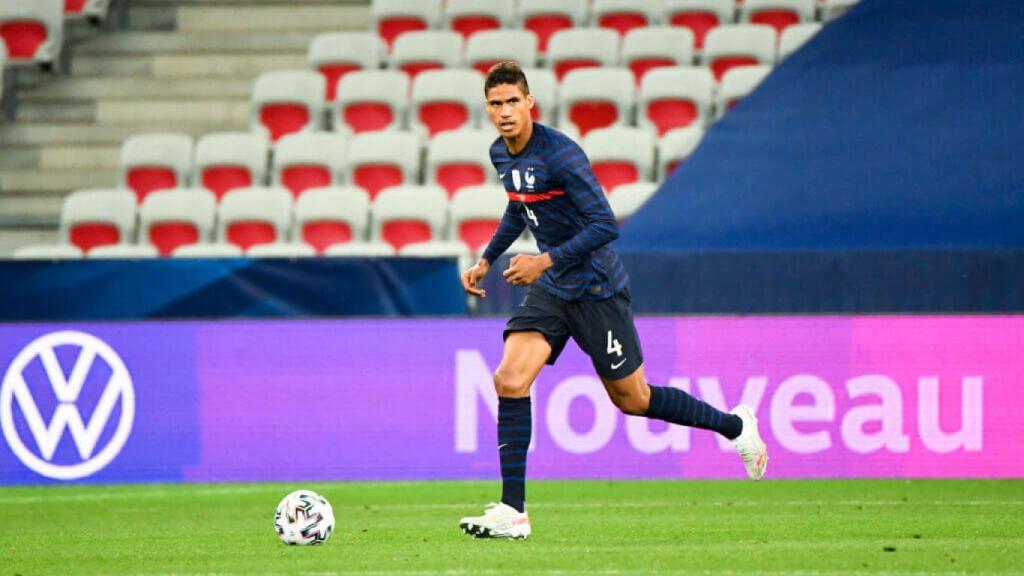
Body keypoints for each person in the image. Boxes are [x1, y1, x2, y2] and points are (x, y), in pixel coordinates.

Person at [458, 62, 767, 540]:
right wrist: (488, 258)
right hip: (554, 289)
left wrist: (543, 261)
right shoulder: (502, 154)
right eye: (496, 104)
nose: (504, 112)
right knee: (509, 377)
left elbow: (605, 225)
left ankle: (733, 425)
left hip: (597, 287)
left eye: (512, 102)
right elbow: (519, 205)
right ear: (487, 108)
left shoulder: (561, 155)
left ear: (529, 102)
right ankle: (512, 511)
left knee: (634, 399)